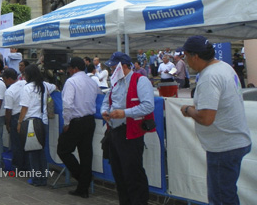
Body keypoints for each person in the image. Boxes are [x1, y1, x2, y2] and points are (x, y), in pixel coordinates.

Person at [180, 36, 251, 205]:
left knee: (221, 198)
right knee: (226, 193)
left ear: (195, 56)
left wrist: (188, 110)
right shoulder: (224, 67)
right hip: (234, 141)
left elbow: (206, 118)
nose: (187, 62)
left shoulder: (209, 77)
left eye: (186, 57)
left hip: (224, 146)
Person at [101, 51, 155, 205]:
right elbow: (106, 101)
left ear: (123, 66)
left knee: (133, 173)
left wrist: (125, 113)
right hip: (115, 131)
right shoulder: (116, 82)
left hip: (131, 132)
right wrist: (104, 112)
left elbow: (148, 106)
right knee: (119, 172)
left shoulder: (141, 80)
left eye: (113, 68)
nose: (111, 71)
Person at [57, 57, 101, 198]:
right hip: (89, 120)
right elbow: (99, 95)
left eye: (69, 68)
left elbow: (68, 104)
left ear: (74, 68)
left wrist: (66, 122)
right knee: (86, 153)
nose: (68, 70)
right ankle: (83, 186)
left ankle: (83, 179)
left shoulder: (71, 82)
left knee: (63, 150)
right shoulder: (92, 81)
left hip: (76, 120)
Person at [18, 64, 57, 186]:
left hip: (31, 123)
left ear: (28, 75)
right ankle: (43, 178)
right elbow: (55, 86)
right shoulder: (45, 85)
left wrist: (19, 122)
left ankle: (36, 178)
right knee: (41, 151)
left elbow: (24, 107)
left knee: (32, 152)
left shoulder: (27, 88)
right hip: (43, 122)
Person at [3, 68, 26, 170]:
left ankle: (18, 166)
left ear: (8, 79)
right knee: (26, 143)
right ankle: (27, 166)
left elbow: (8, 110)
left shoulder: (10, 91)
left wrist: (7, 125)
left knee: (16, 144)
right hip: (27, 116)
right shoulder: (26, 83)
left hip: (16, 117)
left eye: (4, 79)